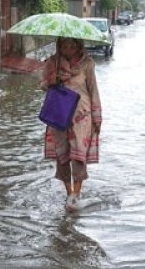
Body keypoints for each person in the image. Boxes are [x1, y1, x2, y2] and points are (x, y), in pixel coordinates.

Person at [40, 37, 102, 212]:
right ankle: (69, 194)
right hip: (59, 114)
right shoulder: (53, 62)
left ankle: (76, 194)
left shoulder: (87, 64)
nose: (69, 49)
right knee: (63, 155)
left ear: (78, 46)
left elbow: (93, 90)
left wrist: (97, 116)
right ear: (59, 46)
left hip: (82, 115)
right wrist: (53, 81)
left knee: (79, 155)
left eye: (72, 46)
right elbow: (42, 84)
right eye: (65, 46)